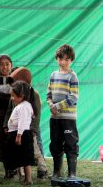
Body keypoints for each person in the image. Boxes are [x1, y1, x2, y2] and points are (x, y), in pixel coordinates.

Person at [47, 44, 79, 181]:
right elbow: (48, 95)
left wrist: (57, 106)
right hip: (54, 118)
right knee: (55, 144)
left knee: (71, 144)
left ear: (71, 60)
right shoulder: (53, 75)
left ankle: (72, 173)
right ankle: (56, 172)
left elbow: (73, 97)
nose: (63, 62)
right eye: (61, 59)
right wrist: (50, 105)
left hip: (68, 118)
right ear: (57, 59)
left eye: (66, 59)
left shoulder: (73, 77)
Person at [6, 81, 35, 186]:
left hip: (22, 135)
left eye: (13, 96)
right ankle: (21, 176)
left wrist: (19, 136)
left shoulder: (24, 106)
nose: (11, 98)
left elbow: (23, 122)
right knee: (18, 156)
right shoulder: (21, 105)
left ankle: (28, 179)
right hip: (16, 133)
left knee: (25, 158)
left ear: (21, 96)